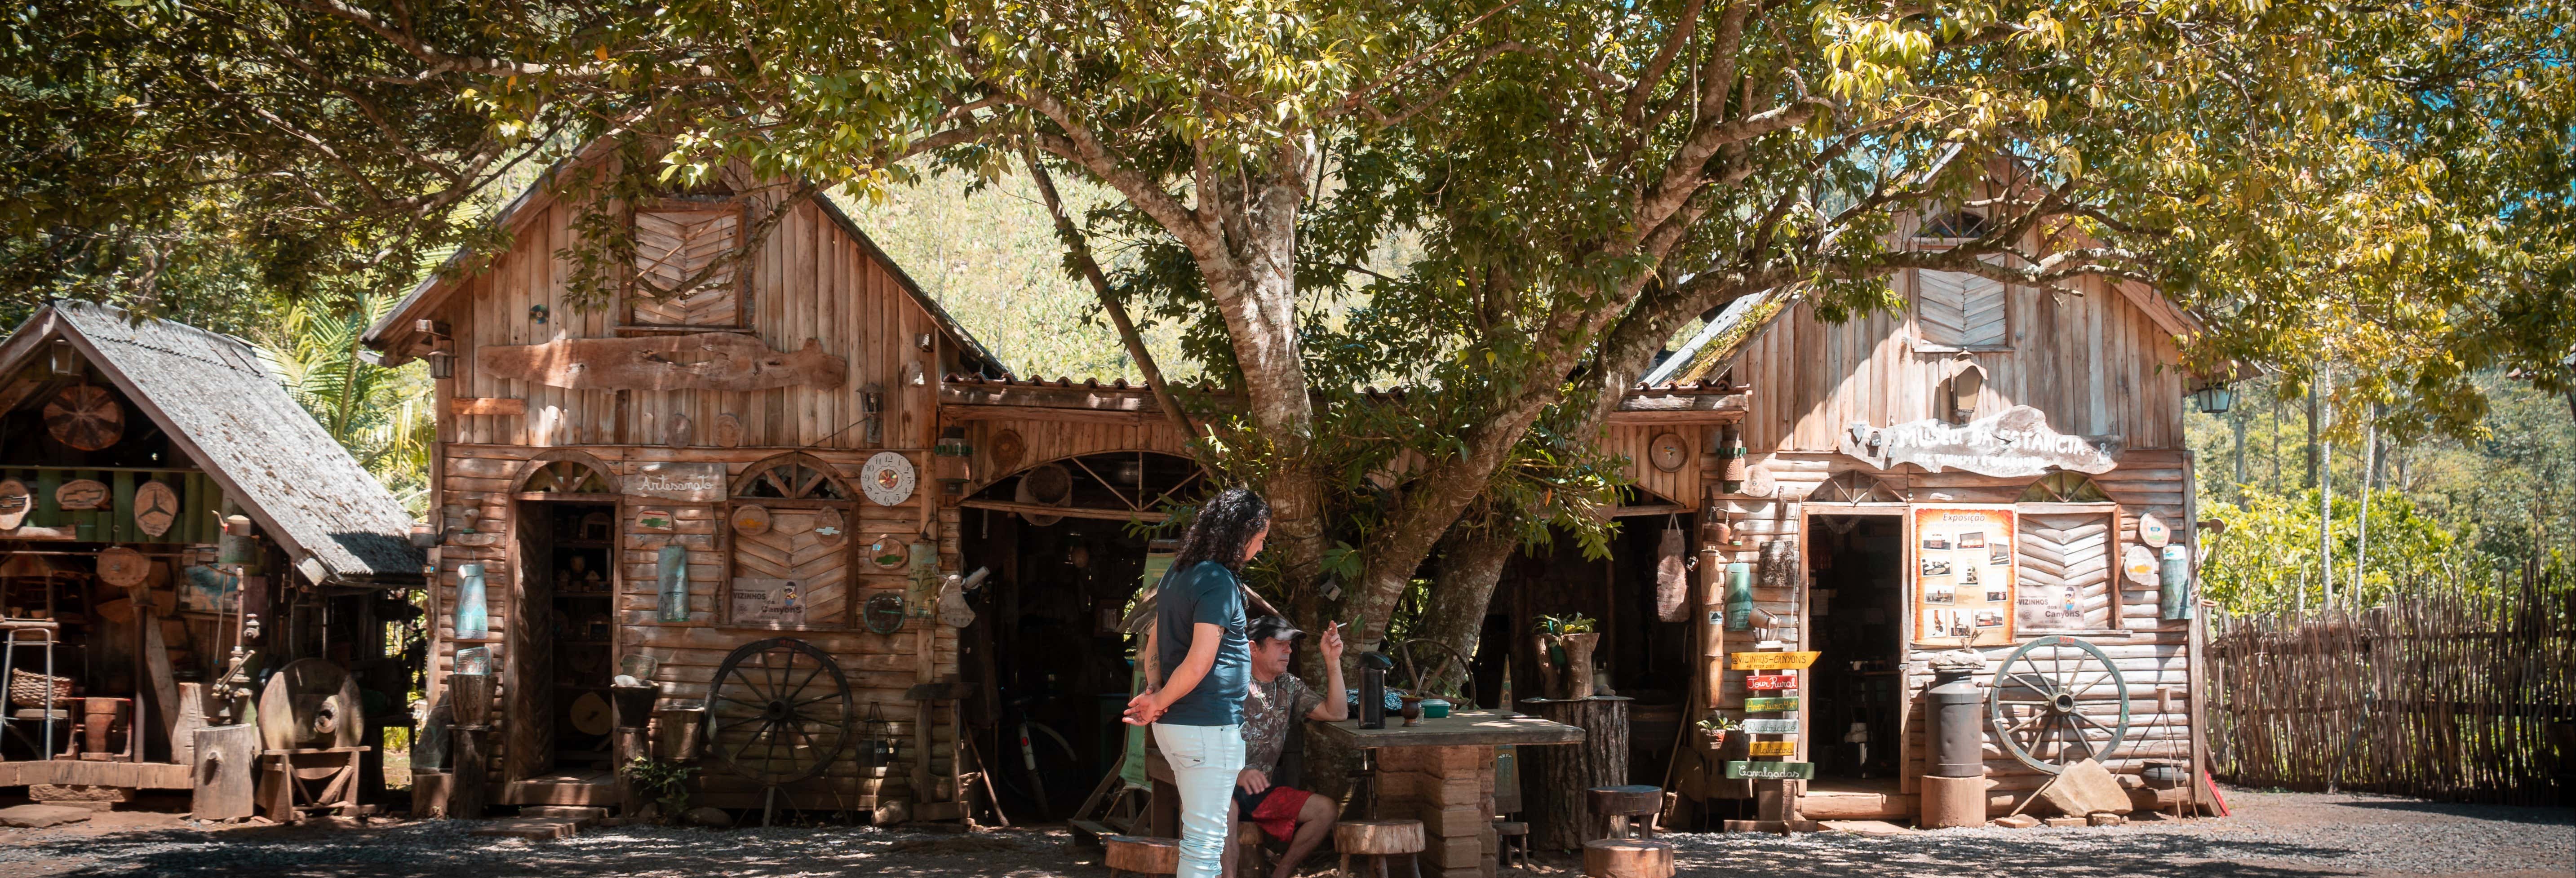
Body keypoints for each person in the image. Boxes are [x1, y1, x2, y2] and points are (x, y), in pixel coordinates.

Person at [1123, 488, 1268, 878]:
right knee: (1205, 844)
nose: (1259, 549)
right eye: (1259, 540)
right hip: (1206, 726)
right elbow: (1201, 659)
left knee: (1200, 838)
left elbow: (1154, 635)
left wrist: (1156, 689)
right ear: (1241, 534)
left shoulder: (1179, 571)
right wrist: (1157, 700)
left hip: (1180, 726)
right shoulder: (1218, 580)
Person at [1232, 615, 1346, 878]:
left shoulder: (1288, 685)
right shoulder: (1230, 683)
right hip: (1224, 787)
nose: (1289, 650)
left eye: (1290, 644)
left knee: (1326, 810)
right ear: (1253, 648)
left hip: (1262, 793)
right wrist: (1235, 774)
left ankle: (1281, 874)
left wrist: (1332, 660)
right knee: (1226, 808)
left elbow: (1337, 712)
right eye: (1280, 643)